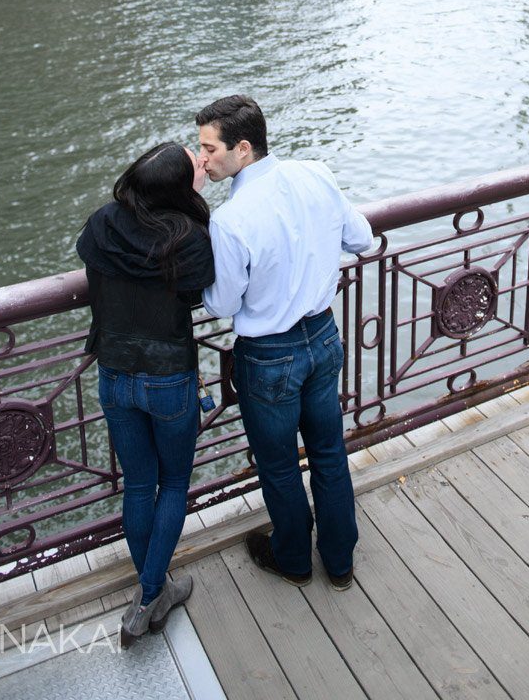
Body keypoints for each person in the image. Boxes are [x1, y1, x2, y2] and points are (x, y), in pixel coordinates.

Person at [195, 95, 373, 590]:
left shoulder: (229, 220)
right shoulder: (316, 173)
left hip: (270, 354)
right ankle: (340, 563)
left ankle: (293, 558)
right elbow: (362, 239)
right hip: (323, 335)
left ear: (243, 149)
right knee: (329, 453)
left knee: (278, 466)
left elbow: (222, 303)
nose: (201, 159)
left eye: (209, 149)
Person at [77, 141, 214, 647]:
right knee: (174, 482)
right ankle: (153, 593)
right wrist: (194, 200)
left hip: (114, 372)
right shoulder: (191, 238)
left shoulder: (102, 224)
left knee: (138, 485)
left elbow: (92, 262)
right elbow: (198, 295)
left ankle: (152, 592)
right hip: (168, 376)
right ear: (178, 189)